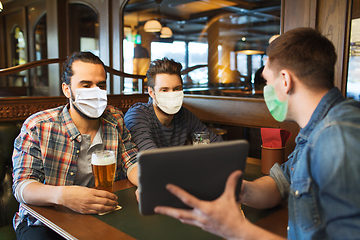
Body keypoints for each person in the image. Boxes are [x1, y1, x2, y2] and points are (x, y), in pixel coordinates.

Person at [154, 28, 360, 239]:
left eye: (267, 81)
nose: (266, 89)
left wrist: (238, 231)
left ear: (285, 80)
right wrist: (237, 188)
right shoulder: (316, 131)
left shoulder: (338, 138)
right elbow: (280, 184)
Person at [12, 52, 138, 240]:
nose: (95, 91)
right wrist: (63, 196)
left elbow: (132, 161)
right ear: (67, 89)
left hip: (100, 214)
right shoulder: (38, 126)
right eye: (86, 85)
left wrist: (146, 182)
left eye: (101, 85)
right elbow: (22, 186)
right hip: (43, 221)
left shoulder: (115, 118)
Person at [124, 57, 222, 151]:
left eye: (176, 89)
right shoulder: (137, 115)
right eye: (164, 90)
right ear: (151, 93)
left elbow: (217, 145)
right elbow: (152, 159)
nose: (171, 94)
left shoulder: (184, 115)